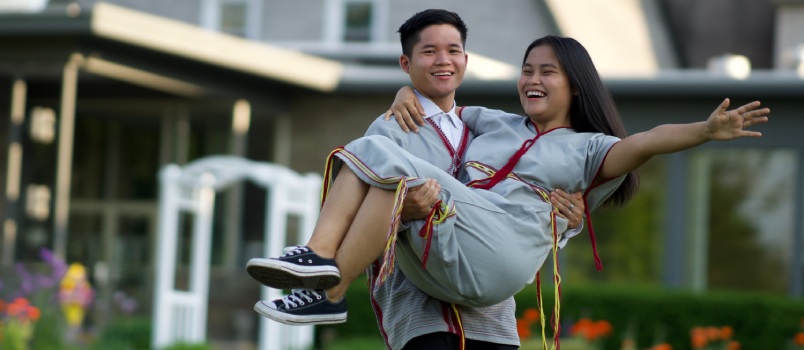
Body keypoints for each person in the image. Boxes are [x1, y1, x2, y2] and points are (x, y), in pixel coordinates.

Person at [247, 33, 768, 330]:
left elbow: (647, 141)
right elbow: (440, 101)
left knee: (376, 154)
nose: (532, 80)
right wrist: (407, 92)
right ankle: (329, 289)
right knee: (388, 170)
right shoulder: (492, 121)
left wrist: (704, 130)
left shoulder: (588, 150)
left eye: (547, 72)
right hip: (457, 245)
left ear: (575, 85)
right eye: (527, 70)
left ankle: (317, 258)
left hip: (505, 252)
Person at [247, 10, 585, 350]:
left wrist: (568, 221)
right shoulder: (388, 131)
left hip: (490, 319)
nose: (443, 60)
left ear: (465, 59)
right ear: (405, 63)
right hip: (420, 314)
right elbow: (358, 221)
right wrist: (401, 211)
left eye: (453, 50)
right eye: (429, 51)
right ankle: (322, 278)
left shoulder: (495, 132)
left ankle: (322, 286)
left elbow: (517, 217)